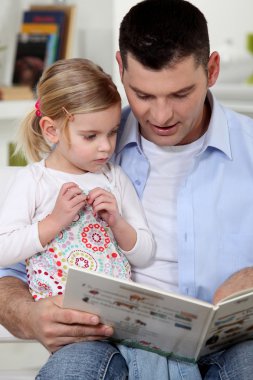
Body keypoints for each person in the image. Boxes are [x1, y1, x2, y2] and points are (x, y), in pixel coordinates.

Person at [1, 0, 253, 379]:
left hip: (230, 343)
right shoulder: (85, 146)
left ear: (212, 70)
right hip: (103, 338)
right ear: (120, 69)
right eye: (143, 95)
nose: (162, 115)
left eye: (181, 94)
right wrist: (28, 314)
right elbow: (8, 266)